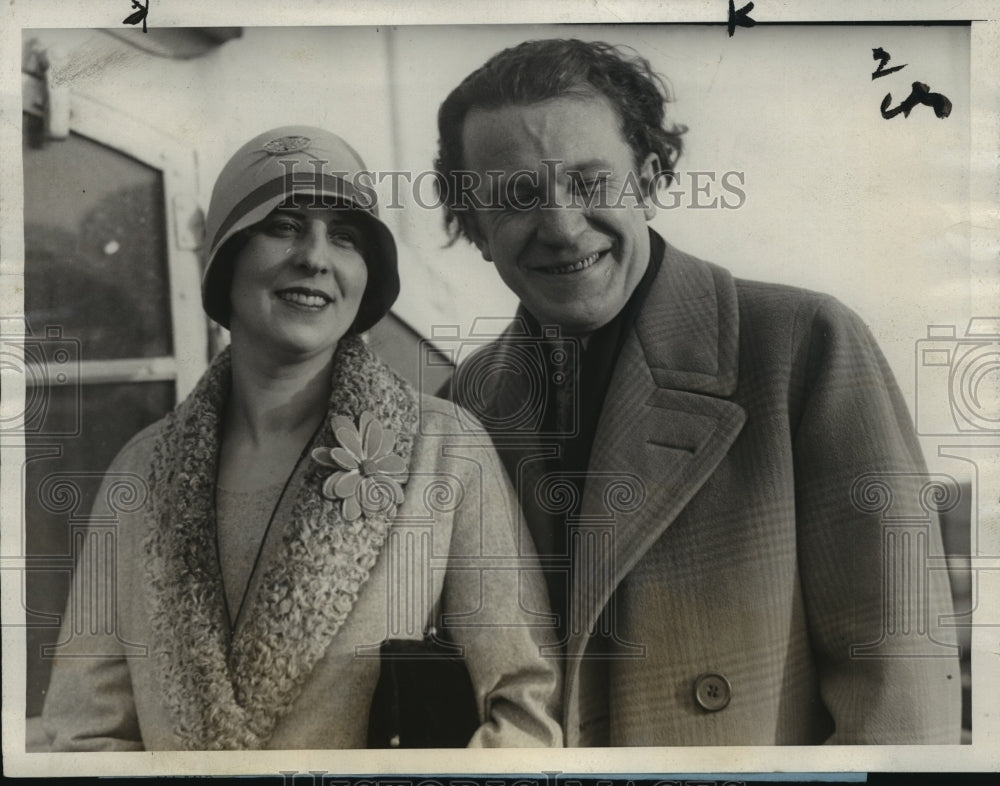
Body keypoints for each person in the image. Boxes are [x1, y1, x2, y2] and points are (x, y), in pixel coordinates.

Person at [435, 39, 962, 745]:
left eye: (592, 184)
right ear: (475, 227)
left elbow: (901, 685)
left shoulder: (804, 347)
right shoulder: (464, 405)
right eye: (516, 197)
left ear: (649, 178)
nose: (561, 227)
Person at [41, 126, 562, 750]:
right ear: (227, 257)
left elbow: (526, 705)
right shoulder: (140, 473)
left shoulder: (445, 451)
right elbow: (84, 730)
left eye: (344, 237)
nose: (315, 256)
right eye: (284, 225)